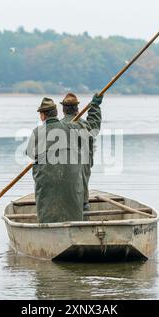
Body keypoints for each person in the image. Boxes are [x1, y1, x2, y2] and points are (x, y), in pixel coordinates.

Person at [26, 95, 102, 223]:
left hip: (55, 186)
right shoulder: (76, 127)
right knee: (77, 203)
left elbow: (30, 154)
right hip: (77, 184)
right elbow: (93, 127)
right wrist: (94, 107)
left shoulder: (42, 130)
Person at [60, 93, 102, 211]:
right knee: (83, 202)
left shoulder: (58, 126)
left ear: (63, 110)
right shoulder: (84, 126)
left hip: (64, 193)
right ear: (77, 110)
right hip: (82, 189)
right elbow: (95, 125)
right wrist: (95, 107)